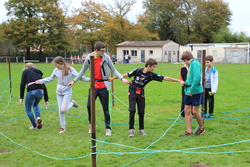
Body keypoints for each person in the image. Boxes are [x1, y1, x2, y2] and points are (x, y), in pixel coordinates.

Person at [110, 58, 184, 137]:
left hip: (141, 93)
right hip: (132, 91)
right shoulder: (137, 70)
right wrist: (113, 78)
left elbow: (166, 78)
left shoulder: (151, 75)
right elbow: (125, 75)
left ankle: (141, 129)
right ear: (149, 66)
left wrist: (178, 81)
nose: (154, 69)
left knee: (141, 112)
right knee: (132, 110)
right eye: (153, 67)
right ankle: (131, 130)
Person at [69, 41, 130, 136]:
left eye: (104, 50)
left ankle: (108, 127)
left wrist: (122, 78)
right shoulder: (89, 59)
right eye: (101, 51)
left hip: (104, 85)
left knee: (105, 108)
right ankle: (92, 124)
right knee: (89, 106)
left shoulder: (106, 58)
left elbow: (113, 69)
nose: (103, 52)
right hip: (94, 86)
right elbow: (82, 71)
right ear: (96, 50)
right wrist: (74, 81)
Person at [36, 56, 89, 133]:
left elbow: (79, 76)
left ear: (61, 63)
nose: (55, 66)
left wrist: (88, 79)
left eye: (56, 64)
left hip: (67, 92)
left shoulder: (70, 70)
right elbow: (50, 78)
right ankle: (63, 127)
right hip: (58, 92)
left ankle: (73, 103)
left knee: (63, 109)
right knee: (60, 111)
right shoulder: (56, 70)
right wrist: (40, 81)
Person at [179, 51, 205, 137]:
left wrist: (192, 90)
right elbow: (190, 77)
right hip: (187, 90)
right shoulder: (190, 65)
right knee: (186, 110)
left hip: (195, 91)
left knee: (194, 111)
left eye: (184, 61)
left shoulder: (195, 63)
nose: (184, 63)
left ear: (186, 59)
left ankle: (201, 127)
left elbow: (197, 77)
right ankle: (189, 131)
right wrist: (185, 83)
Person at [20, 63, 49, 130]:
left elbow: (22, 84)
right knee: (35, 105)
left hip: (32, 91)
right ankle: (38, 117)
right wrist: (46, 99)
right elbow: (44, 85)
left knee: (28, 109)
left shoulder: (26, 71)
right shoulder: (38, 73)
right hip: (41, 91)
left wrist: (21, 97)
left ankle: (34, 125)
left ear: (26, 67)